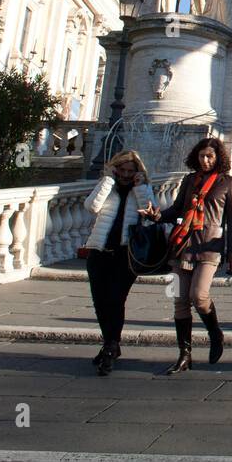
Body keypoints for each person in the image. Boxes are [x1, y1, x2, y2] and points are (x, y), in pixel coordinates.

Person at [139, 137, 232, 374]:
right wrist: (156, 216)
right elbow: (176, 210)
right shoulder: (189, 180)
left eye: (210, 156)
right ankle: (185, 355)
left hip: (209, 247)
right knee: (180, 301)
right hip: (182, 245)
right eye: (202, 156)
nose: (205, 161)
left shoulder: (228, 183)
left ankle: (215, 333)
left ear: (218, 158)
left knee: (199, 295)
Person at [82, 150, 154, 376]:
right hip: (99, 250)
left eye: (129, 171)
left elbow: (150, 212)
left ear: (137, 172)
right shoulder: (108, 186)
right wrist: (107, 180)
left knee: (116, 299)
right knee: (100, 302)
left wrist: (140, 187)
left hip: (126, 253)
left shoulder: (142, 189)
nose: (125, 175)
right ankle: (110, 344)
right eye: (121, 171)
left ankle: (111, 347)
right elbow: (91, 206)